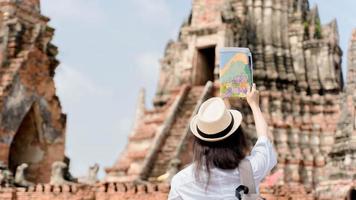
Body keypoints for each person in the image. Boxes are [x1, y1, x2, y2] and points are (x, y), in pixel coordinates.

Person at [168, 84, 277, 200]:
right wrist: (254, 105)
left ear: (198, 143)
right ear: (238, 137)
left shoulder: (181, 182)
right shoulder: (251, 169)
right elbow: (266, 141)